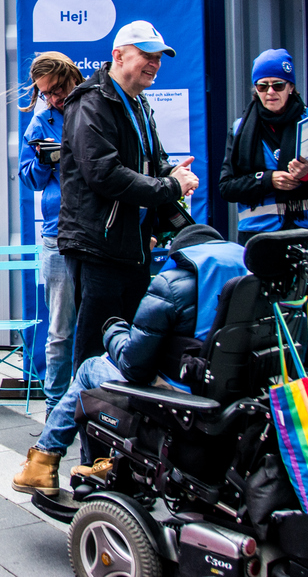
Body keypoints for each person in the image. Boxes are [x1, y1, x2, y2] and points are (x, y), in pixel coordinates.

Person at [12, 225, 247, 495]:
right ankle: (111, 463)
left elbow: (133, 366)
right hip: (230, 399)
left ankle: (42, 462)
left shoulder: (171, 285)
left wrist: (113, 331)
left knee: (90, 368)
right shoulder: (249, 287)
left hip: (179, 399)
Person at [59, 20, 200, 370]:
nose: (154, 63)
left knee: (131, 349)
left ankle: (119, 421)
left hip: (132, 248)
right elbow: (104, 174)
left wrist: (172, 173)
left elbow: (153, 161)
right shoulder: (90, 102)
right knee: (95, 349)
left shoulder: (139, 104)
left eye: (159, 57)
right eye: (146, 55)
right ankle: (71, 423)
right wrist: (170, 186)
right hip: (98, 248)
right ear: (118, 56)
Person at [219, 49, 308, 306]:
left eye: (277, 85)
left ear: (291, 87)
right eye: (262, 86)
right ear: (255, 89)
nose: (270, 93)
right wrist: (268, 180)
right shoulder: (240, 129)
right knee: (263, 315)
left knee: (305, 318)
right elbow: (227, 188)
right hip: (260, 237)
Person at [20, 52, 84, 416]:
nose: (55, 98)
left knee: (101, 324)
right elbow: (29, 179)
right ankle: (55, 410)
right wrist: (44, 160)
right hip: (57, 234)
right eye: (47, 93)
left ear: (72, 75)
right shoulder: (40, 121)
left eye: (58, 90)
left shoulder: (96, 106)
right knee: (60, 331)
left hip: (95, 231)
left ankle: (97, 402)